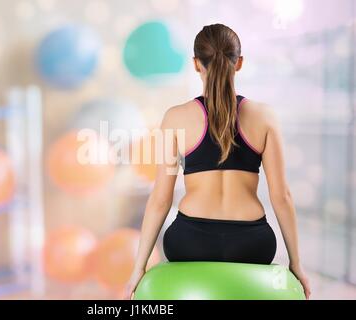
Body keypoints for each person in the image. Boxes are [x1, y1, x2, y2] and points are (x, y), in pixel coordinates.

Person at [125, 24, 311, 299]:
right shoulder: (264, 116)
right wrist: (297, 264)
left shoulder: (176, 117)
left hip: (190, 240)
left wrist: (138, 268)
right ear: (239, 63)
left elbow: (160, 199)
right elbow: (281, 196)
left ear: (196, 63)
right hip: (252, 242)